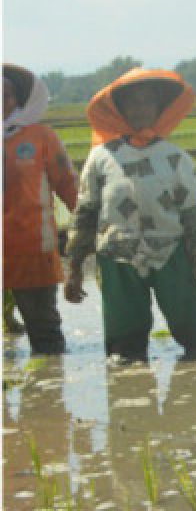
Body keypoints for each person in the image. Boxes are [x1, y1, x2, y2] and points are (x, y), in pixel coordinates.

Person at [63, 68, 196, 362]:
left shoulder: (174, 158)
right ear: (119, 110)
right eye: (133, 102)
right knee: (124, 347)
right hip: (117, 255)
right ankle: (128, 384)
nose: (141, 109)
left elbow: (194, 212)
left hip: (170, 251)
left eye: (148, 102)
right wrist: (73, 266)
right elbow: (85, 212)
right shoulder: (101, 159)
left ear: (159, 109)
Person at [3, 64, 79, 354]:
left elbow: (67, 185)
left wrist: (93, 227)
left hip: (32, 246)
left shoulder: (40, 138)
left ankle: (49, 388)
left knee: (44, 332)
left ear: (20, 101)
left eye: (5, 96)